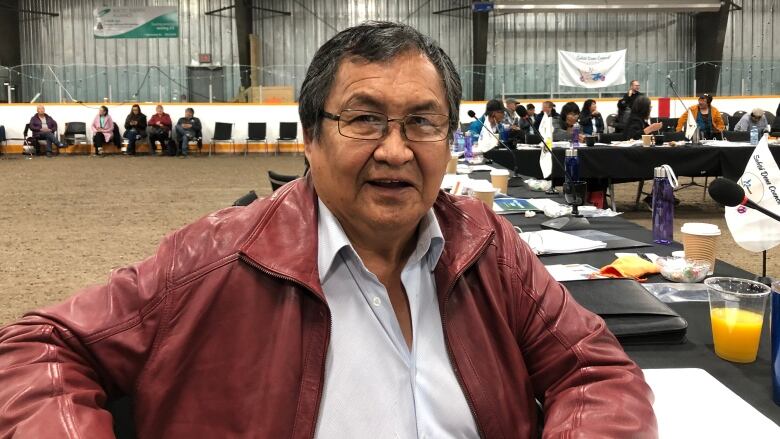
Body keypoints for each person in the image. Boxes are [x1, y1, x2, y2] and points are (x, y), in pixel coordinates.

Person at [0, 22, 656, 437]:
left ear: (450, 141)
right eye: (364, 120)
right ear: (310, 137)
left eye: (422, 123)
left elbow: (596, 373)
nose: (396, 150)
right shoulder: (212, 259)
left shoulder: (490, 248)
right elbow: (36, 346)